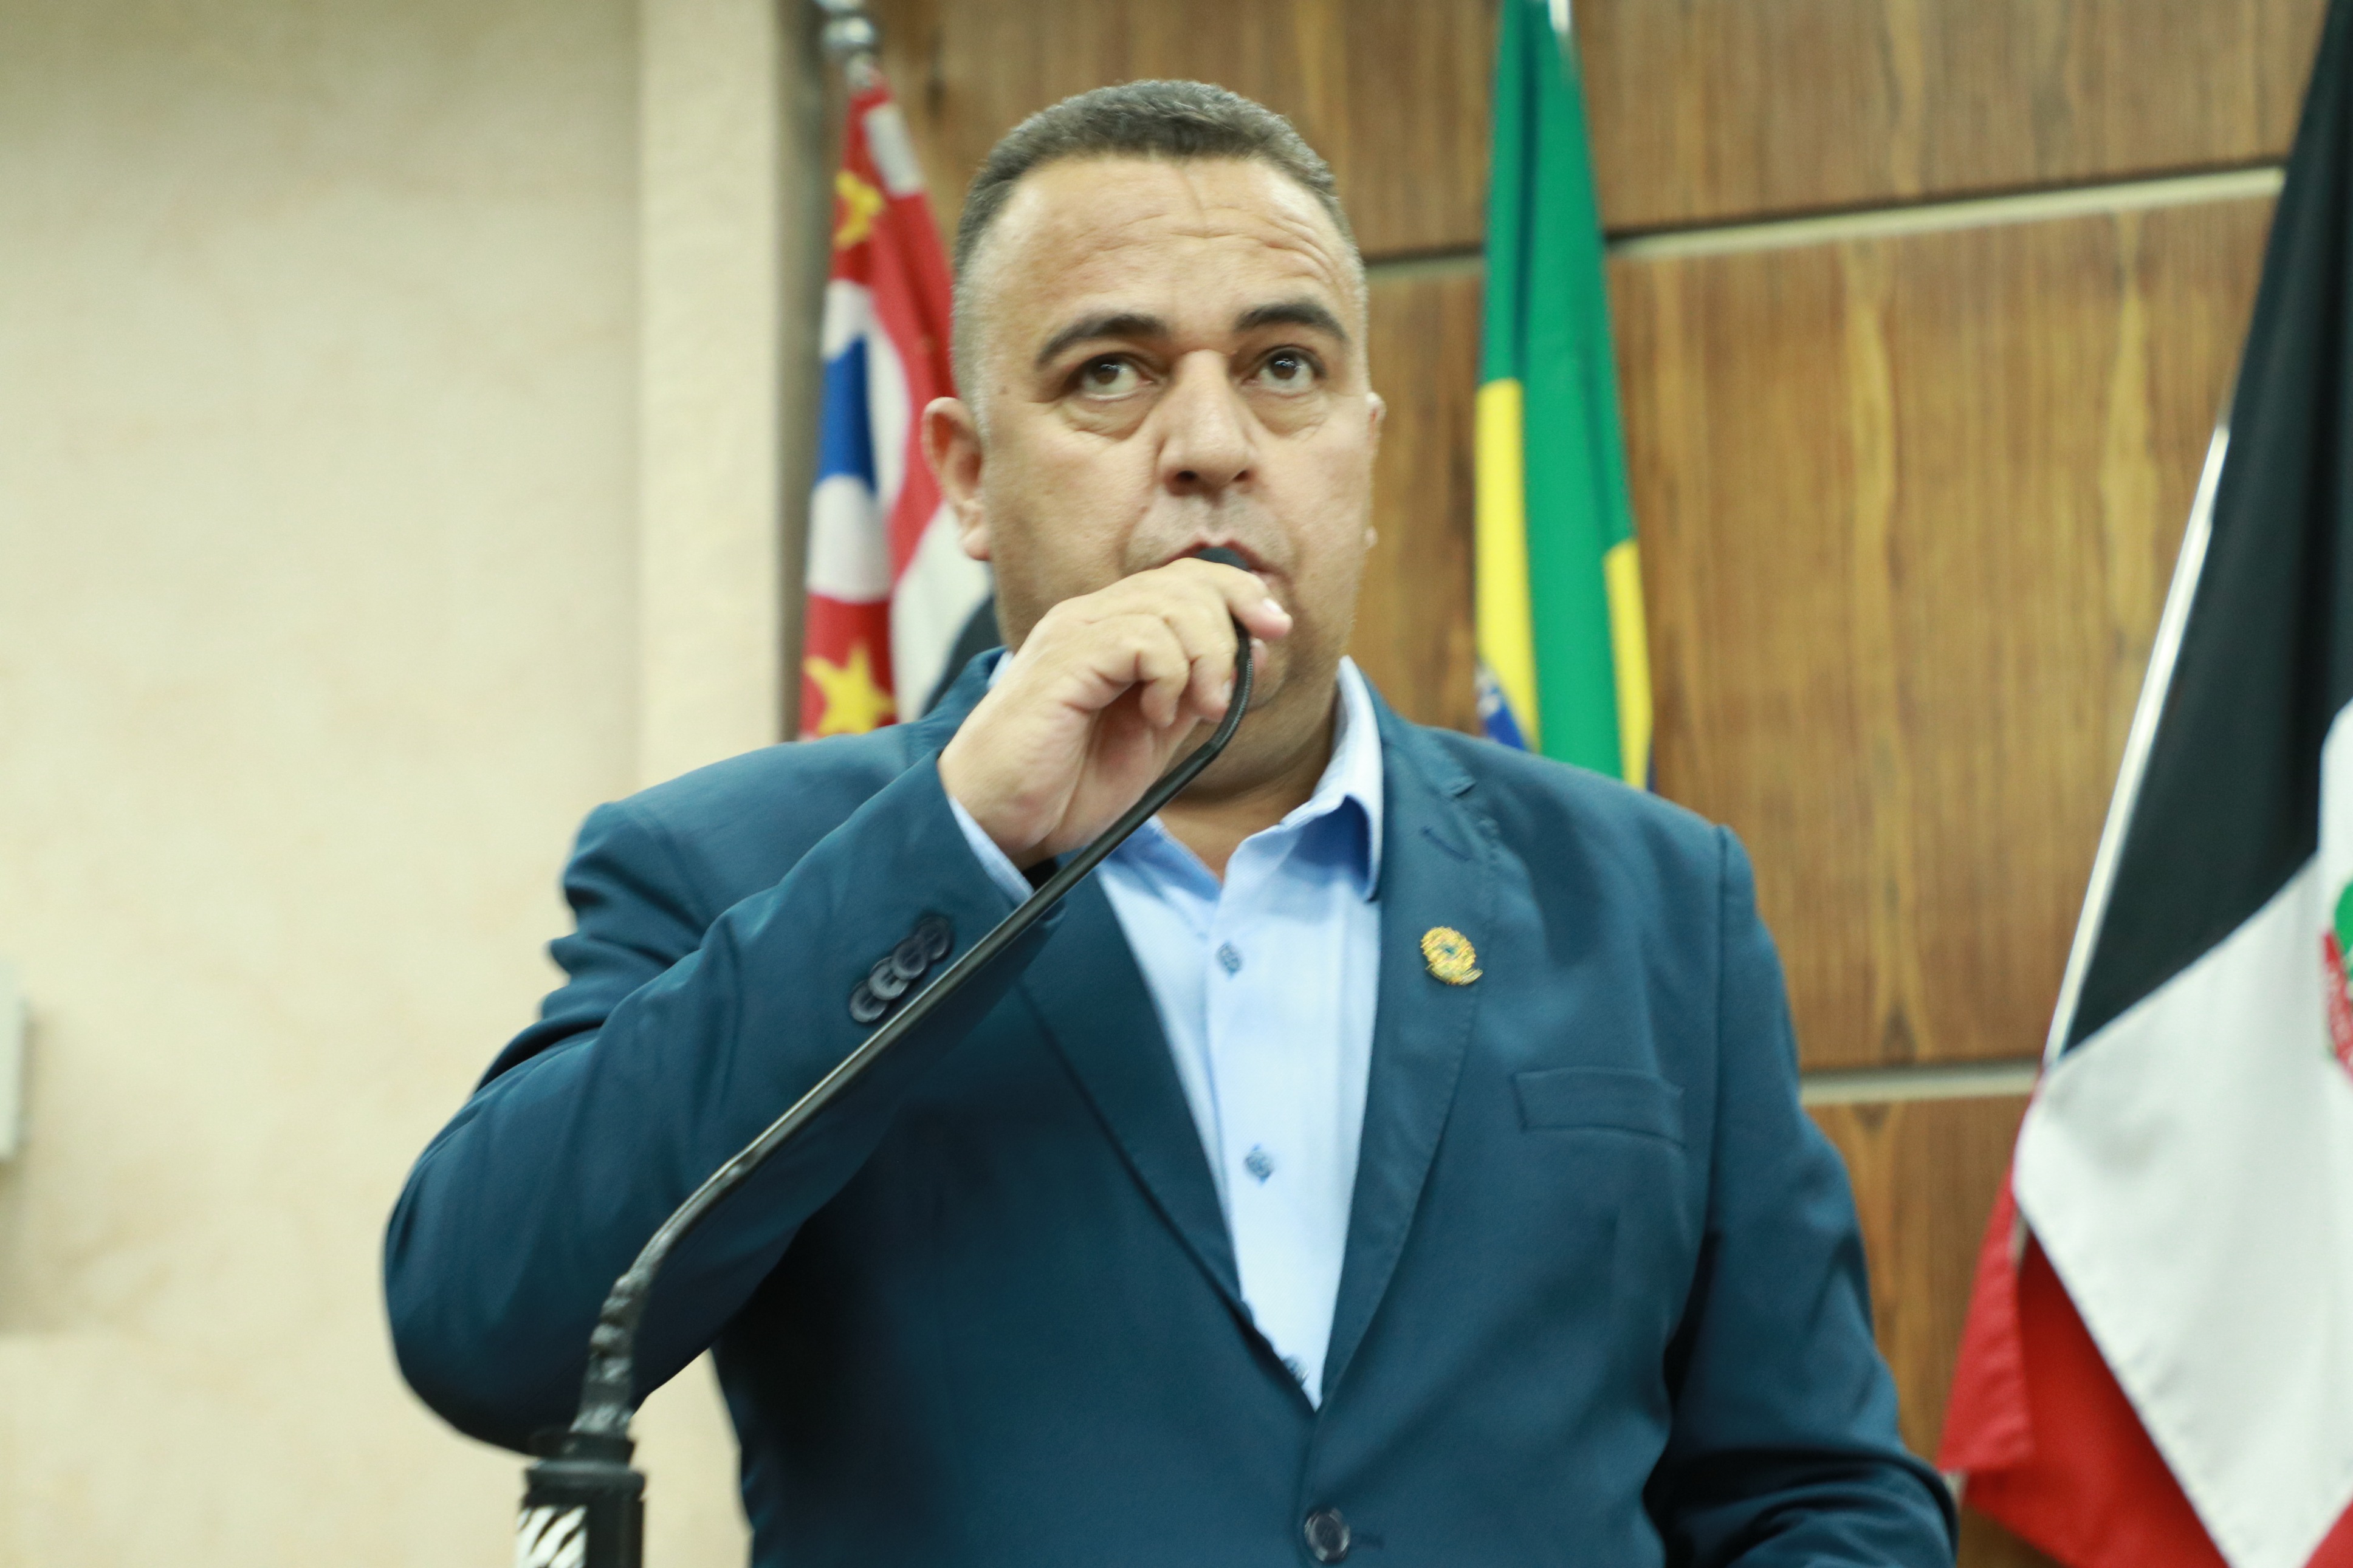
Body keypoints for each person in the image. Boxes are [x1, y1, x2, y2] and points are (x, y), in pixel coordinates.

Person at [385, 80, 1955, 1568]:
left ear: (1365, 445)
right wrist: (961, 847)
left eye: (1285, 367)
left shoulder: (1654, 897)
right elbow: (489, 1330)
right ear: (969, 477)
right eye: (1111, 374)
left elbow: (1811, 1489)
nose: (1213, 444)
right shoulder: (734, 864)